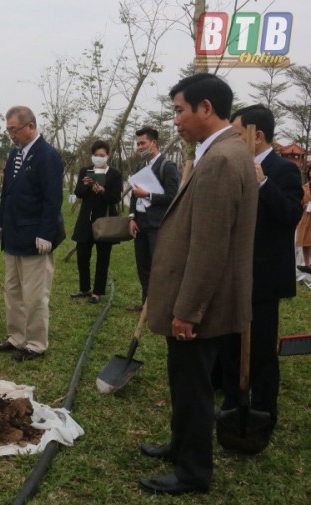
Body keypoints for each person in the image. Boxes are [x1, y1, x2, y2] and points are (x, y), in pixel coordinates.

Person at [139, 73, 257, 496]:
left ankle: (193, 471)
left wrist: (187, 311)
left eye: (179, 110)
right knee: (185, 381)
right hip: (208, 302)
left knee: (193, 386)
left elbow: (209, 248)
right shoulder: (220, 152)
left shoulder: (223, 160)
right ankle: (181, 445)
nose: (175, 120)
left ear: (206, 109)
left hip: (202, 307)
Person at [219, 104, 303, 438]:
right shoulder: (233, 166)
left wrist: (263, 182)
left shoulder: (283, 170)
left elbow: (290, 215)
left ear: (258, 136)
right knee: (229, 343)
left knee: (262, 348)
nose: (235, 141)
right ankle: (230, 403)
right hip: (233, 271)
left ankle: (263, 410)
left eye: (239, 135)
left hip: (265, 276)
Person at [0, 106, 65, 362]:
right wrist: (0, 223)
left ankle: (35, 343)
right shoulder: (15, 155)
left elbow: (52, 198)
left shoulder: (47, 156)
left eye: (14, 129)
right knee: (13, 291)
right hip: (13, 235)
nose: (11, 135)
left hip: (35, 238)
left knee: (34, 295)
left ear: (30, 126)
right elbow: (7, 193)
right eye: (8, 130)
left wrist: (46, 232)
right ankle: (17, 337)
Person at [127, 126, 180, 311]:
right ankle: (146, 304)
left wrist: (148, 195)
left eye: (142, 143)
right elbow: (134, 195)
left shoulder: (168, 167)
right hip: (140, 224)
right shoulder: (141, 167)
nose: (139, 147)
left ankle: (159, 305)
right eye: (138, 144)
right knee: (143, 265)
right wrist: (132, 217)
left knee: (158, 266)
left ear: (154, 143)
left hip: (158, 225)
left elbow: (173, 197)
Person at [70, 140, 122, 304]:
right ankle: (84, 289)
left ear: (108, 156)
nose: (99, 158)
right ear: (92, 156)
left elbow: (115, 198)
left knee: (103, 258)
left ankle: (98, 292)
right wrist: (85, 185)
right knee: (82, 256)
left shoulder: (114, 174)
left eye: (102, 155)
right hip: (86, 220)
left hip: (104, 222)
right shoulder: (85, 171)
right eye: (96, 155)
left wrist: (103, 191)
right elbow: (78, 192)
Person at [295, 166, 311, 269]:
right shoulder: (304, 187)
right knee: (305, 241)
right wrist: (302, 206)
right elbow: (299, 201)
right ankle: (307, 264)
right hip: (305, 217)